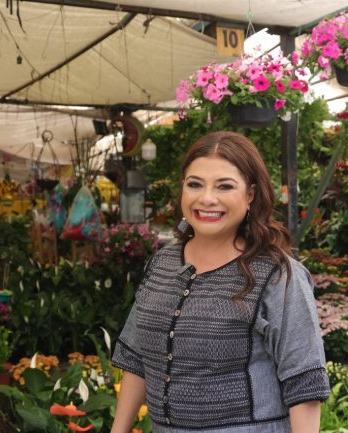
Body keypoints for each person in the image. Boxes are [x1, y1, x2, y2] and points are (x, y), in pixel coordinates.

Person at [110, 131, 330, 433]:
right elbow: (137, 359)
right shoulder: (162, 264)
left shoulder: (277, 275)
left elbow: (304, 383)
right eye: (194, 184)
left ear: (250, 195)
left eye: (224, 186)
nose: (206, 198)